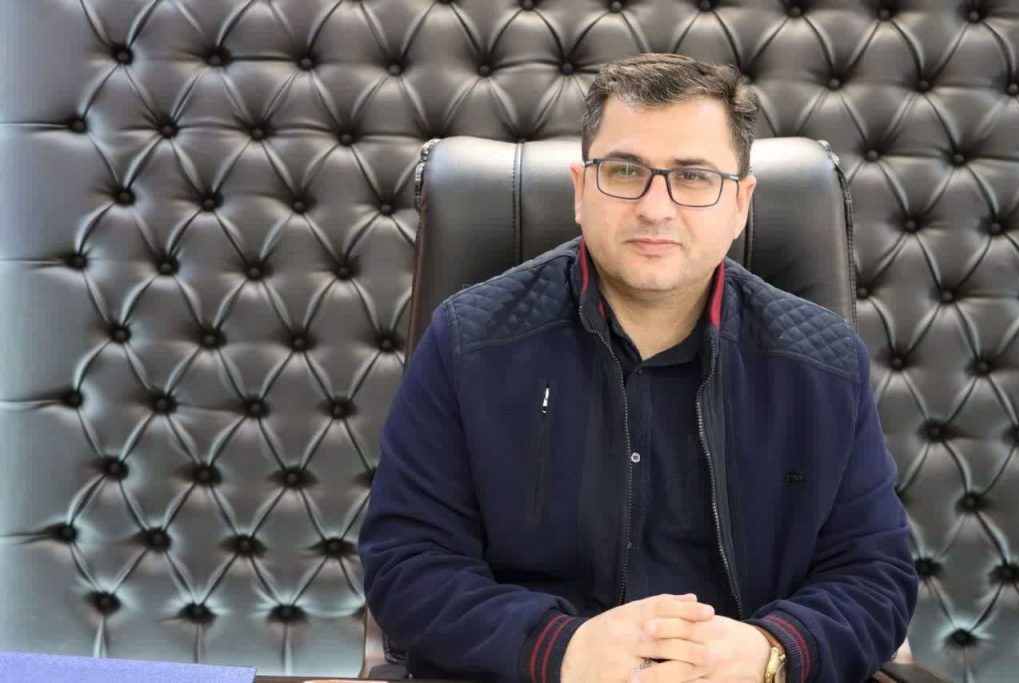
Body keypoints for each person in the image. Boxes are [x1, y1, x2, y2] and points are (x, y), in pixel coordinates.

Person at [358, 53, 917, 683]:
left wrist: (770, 651)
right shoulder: (467, 341)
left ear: (740, 203)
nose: (656, 208)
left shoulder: (825, 363)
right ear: (580, 189)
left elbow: (875, 577)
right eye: (625, 171)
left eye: (694, 177)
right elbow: (408, 565)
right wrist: (560, 650)